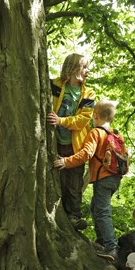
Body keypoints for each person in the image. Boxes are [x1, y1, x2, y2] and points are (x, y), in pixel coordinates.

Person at [53, 100, 121, 260]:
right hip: (115, 179)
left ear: (95, 116)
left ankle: (111, 247)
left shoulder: (96, 133)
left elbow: (86, 154)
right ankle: (102, 241)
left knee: (102, 211)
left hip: (103, 178)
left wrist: (66, 161)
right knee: (96, 207)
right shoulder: (115, 133)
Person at [47, 53, 95, 231]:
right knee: (56, 180)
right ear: (73, 68)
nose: (87, 71)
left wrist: (61, 121)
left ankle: (73, 217)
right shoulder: (55, 85)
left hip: (74, 146)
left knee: (73, 183)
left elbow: (83, 120)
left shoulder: (88, 93)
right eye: (84, 67)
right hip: (54, 142)